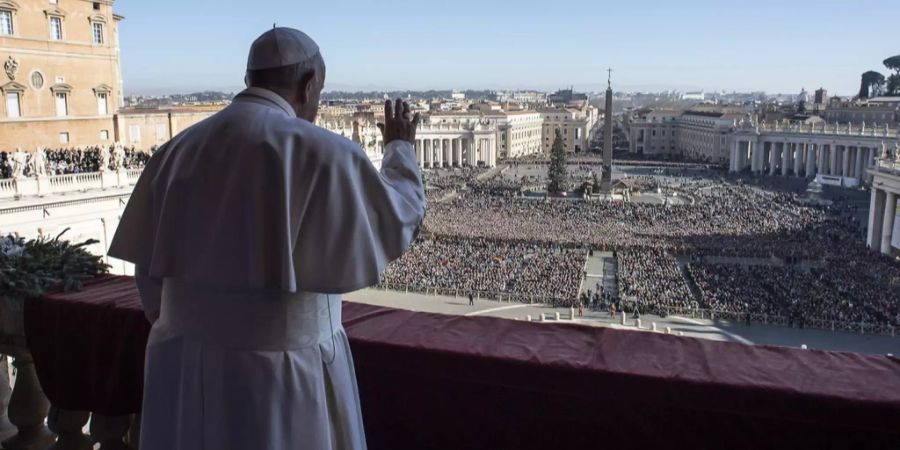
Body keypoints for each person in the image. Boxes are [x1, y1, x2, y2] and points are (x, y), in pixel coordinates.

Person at [108, 27, 425, 450]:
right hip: (285, 375)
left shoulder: (176, 151)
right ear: (309, 85)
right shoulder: (326, 153)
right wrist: (400, 150)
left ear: (250, 79)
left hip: (184, 367)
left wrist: (198, 327)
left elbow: (148, 275)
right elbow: (400, 217)